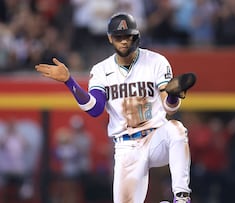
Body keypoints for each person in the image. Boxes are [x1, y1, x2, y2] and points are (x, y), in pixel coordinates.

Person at [35, 12, 196, 203]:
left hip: (156, 138)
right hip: (126, 145)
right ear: (110, 38)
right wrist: (69, 82)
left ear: (136, 36)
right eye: (119, 37)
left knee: (176, 129)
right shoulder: (101, 70)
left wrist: (172, 95)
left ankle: (181, 196)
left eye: (128, 35)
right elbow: (95, 108)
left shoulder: (156, 61)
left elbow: (170, 108)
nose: (124, 41)